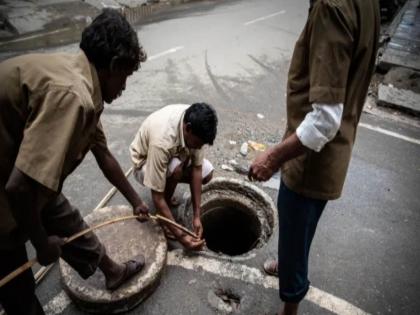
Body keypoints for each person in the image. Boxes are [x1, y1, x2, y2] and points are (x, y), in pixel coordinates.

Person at [0, 9, 149, 315]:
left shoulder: (83, 83)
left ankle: (112, 271)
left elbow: (104, 155)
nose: (124, 87)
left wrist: (136, 201)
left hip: (13, 167)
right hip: (7, 182)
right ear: (112, 66)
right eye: (125, 76)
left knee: (60, 212)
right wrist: (41, 243)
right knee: (18, 290)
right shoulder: (72, 96)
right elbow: (18, 187)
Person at [248, 1, 380, 314]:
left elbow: (325, 120)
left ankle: (289, 308)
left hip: (311, 160)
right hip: (333, 154)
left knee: (295, 225)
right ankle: (288, 263)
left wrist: (272, 158)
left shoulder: (331, 7)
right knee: (301, 228)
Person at [130, 103, 218, 250]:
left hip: (175, 154)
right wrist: (182, 237)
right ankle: (163, 217)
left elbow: (197, 169)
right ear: (188, 128)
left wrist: (197, 215)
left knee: (207, 173)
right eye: (197, 144)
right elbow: (156, 196)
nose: (198, 147)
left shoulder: (197, 127)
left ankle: (167, 202)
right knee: (176, 170)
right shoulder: (162, 141)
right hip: (144, 162)